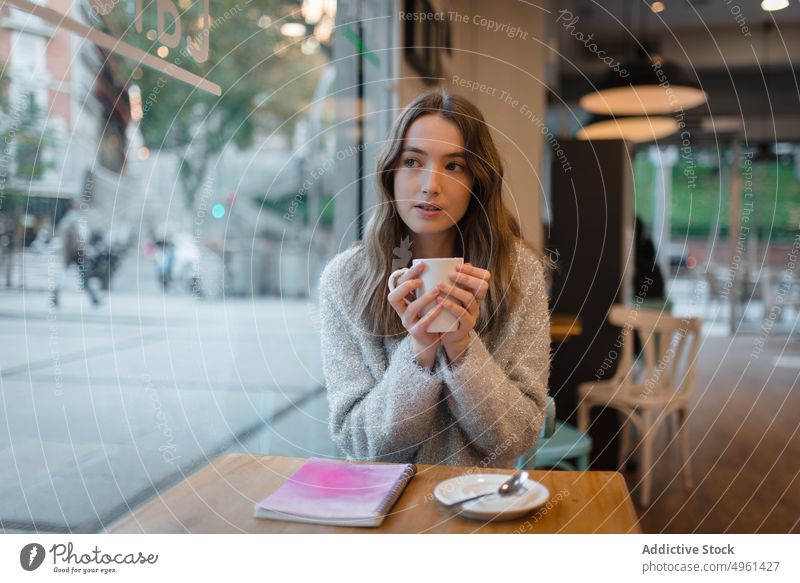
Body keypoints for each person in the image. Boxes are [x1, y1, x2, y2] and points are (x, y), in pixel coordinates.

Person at [318, 91, 550, 468]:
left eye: (454, 166)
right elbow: (362, 445)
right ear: (390, 172)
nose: (430, 185)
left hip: (481, 511)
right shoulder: (345, 281)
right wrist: (419, 351)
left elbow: (514, 438)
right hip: (385, 515)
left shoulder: (518, 272)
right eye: (413, 161)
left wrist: (461, 348)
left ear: (478, 180)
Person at [51, 199, 100, 308]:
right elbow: (65, 242)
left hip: (78, 254)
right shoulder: (67, 223)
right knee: (64, 278)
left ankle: (94, 299)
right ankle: (55, 297)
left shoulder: (74, 222)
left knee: (85, 277)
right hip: (70, 255)